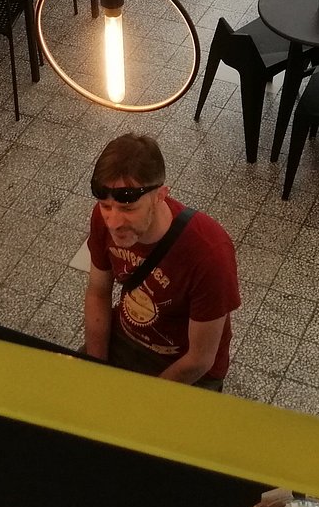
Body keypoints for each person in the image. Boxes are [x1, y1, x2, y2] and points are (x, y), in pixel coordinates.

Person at [83, 134, 241, 390]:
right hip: (125, 338)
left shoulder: (210, 254)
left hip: (183, 365)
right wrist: (95, 368)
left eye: (128, 209)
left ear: (160, 195)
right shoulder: (103, 218)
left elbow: (200, 359)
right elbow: (98, 292)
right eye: (105, 206)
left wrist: (145, 398)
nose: (113, 222)